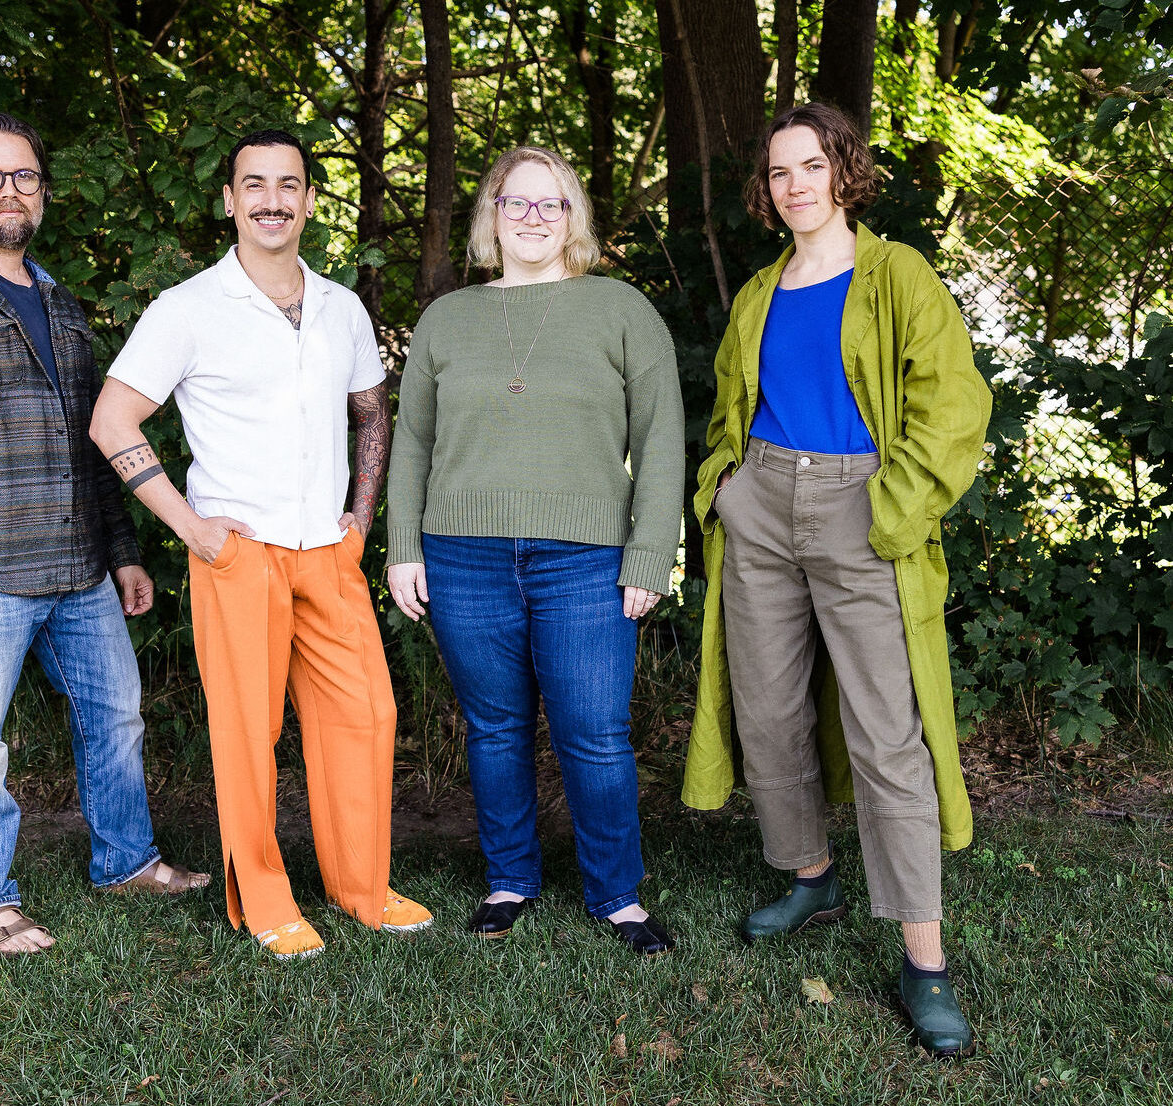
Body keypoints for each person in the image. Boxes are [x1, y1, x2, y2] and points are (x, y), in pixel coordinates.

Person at [681, 103, 991, 1056]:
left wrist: (889, 508)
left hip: (863, 507)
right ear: (766, 191)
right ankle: (809, 875)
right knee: (768, 708)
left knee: (884, 731)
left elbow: (953, 405)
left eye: (811, 165)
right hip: (764, 503)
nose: (794, 185)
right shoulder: (759, 292)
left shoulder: (896, 274)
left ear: (843, 171)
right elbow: (734, 406)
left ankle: (923, 959)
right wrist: (724, 486)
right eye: (778, 173)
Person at [0, 113, 206, 957]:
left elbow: (98, 437)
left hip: (81, 567)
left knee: (117, 718)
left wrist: (123, 551)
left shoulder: (60, 303)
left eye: (23, 176)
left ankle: (126, 862)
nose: (9, 190)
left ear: (43, 194)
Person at [89, 129, 431, 962]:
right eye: (254, 184)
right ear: (231, 201)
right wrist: (191, 526)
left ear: (311, 199)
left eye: (288, 184)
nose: (272, 199)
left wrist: (362, 512)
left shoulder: (342, 306)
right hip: (236, 554)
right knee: (246, 735)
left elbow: (370, 410)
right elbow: (111, 419)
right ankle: (266, 902)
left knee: (366, 715)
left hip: (328, 549)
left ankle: (360, 887)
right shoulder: (187, 309)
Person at [385, 147, 686, 956]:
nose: (530, 218)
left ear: (572, 218)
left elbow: (661, 440)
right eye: (514, 203)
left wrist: (650, 552)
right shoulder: (447, 318)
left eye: (549, 205)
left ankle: (616, 895)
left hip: (586, 558)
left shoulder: (621, 308)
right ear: (490, 214)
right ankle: (509, 878)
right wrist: (402, 547)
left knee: (593, 731)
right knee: (494, 729)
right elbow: (411, 443)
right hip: (461, 556)